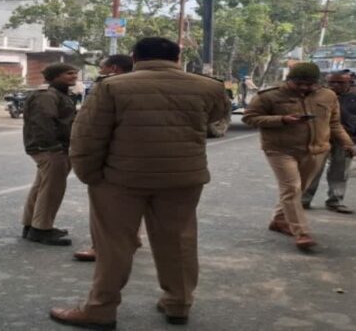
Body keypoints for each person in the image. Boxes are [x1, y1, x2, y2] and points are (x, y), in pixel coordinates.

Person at [50, 37, 230, 330]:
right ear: (177, 57)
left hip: (121, 179)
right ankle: (178, 303)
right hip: (183, 178)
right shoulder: (209, 86)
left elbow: (88, 136)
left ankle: (100, 309)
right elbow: (215, 117)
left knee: (114, 246)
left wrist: (89, 175)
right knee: (179, 241)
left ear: (134, 57)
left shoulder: (112, 87)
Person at [243, 63, 356, 249]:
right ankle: (301, 232)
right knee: (292, 188)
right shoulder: (269, 96)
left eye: (309, 84)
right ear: (288, 80)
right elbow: (249, 117)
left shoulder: (328, 96)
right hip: (280, 150)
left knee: (299, 189)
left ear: (317, 82)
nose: (304, 87)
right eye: (298, 83)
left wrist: (348, 144)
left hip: (316, 151)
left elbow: (334, 124)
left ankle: (279, 220)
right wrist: (282, 120)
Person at [73, 54, 134, 262]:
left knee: (107, 208)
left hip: (116, 159)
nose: (100, 70)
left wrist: (86, 168)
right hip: (163, 163)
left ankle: (100, 248)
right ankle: (133, 238)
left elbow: (89, 129)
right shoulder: (185, 84)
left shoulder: (108, 86)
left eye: (102, 67)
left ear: (114, 68)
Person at [21, 63, 79, 246]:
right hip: (50, 149)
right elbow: (43, 122)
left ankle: (31, 225)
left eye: (75, 73)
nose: (74, 76)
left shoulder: (57, 93)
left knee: (41, 186)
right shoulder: (46, 95)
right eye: (69, 73)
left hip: (50, 147)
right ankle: (42, 230)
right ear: (55, 76)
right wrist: (53, 147)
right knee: (52, 189)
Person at [302, 71, 356, 214]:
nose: (335, 85)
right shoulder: (318, 96)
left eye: (340, 82)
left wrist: (351, 141)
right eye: (332, 82)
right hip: (320, 138)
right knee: (313, 170)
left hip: (345, 140)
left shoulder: (353, 98)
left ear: (350, 83)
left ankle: (335, 201)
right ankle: (304, 199)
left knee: (340, 172)